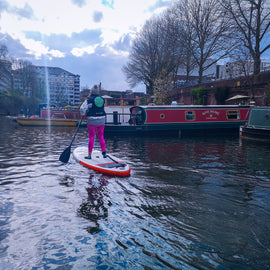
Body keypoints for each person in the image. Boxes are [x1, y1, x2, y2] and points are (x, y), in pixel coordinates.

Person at [80, 87, 107, 159]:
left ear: (91, 92)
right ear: (98, 92)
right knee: (101, 136)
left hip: (92, 120)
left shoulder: (88, 100)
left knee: (91, 137)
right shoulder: (102, 99)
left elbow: (82, 109)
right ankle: (104, 153)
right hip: (102, 119)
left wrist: (83, 114)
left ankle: (89, 155)